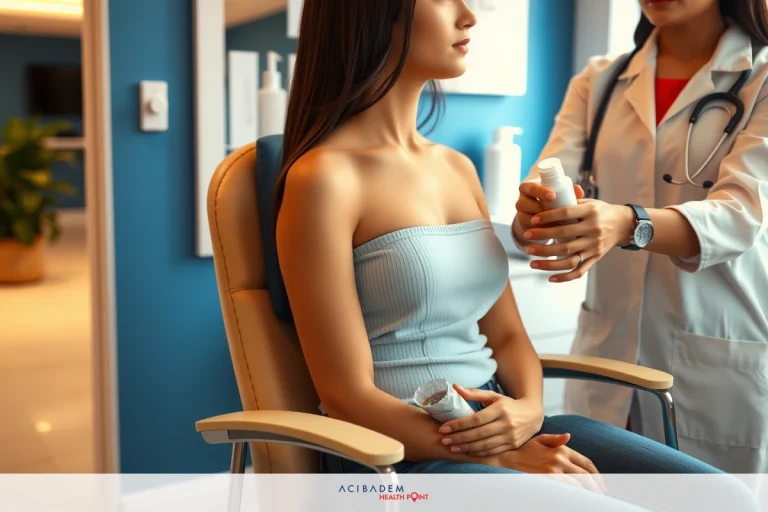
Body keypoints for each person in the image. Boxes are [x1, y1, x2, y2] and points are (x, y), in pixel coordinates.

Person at [273, 0, 732, 506]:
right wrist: (498, 455)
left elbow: (510, 335)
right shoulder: (323, 180)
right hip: (396, 454)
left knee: (725, 497)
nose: (468, 15)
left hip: (500, 425)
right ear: (372, 15)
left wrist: (529, 412)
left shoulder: (456, 168)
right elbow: (347, 397)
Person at [513, 0, 768, 473]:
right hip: (607, 358)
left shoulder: (762, 76)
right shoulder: (599, 79)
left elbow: (741, 215)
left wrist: (626, 222)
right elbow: (550, 180)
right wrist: (535, 208)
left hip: (715, 356)